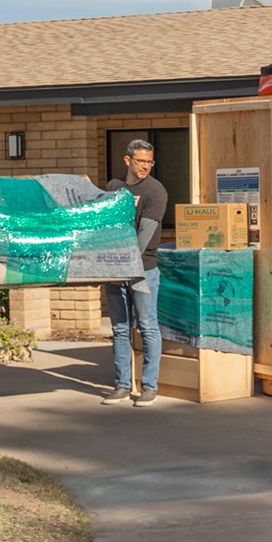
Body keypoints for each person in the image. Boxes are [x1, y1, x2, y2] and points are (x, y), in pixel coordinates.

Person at [101, 139, 167, 407]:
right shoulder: (113, 187)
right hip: (115, 271)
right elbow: (106, 228)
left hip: (143, 271)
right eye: (141, 161)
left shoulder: (156, 191)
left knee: (147, 327)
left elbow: (144, 236)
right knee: (119, 328)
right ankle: (122, 386)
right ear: (128, 160)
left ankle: (149, 387)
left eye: (149, 162)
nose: (145, 166)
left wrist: (123, 267)